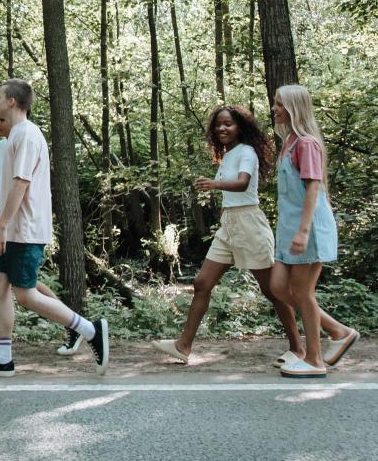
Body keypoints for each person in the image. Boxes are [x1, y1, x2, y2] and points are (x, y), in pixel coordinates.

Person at [0, 79, 107, 377]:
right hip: (13, 228)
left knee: (25, 295)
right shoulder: (14, 136)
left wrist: (3, 225)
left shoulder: (26, 134)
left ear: (12, 101)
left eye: (0, 97)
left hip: (24, 228)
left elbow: (21, 183)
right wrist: (1, 223)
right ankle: (2, 357)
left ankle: (90, 330)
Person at [151, 105, 301, 364]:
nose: (222, 128)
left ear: (240, 127)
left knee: (272, 290)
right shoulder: (227, 154)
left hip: (249, 224)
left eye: (228, 124)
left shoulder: (247, 152)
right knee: (201, 283)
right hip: (229, 226)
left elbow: (242, 183)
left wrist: (214, 184)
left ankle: (298, 348)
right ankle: (183, 346)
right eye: (218, 124)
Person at [271, 85, 359, 378]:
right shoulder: (289, 143)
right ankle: (338, 331)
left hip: (307, 229)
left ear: (295, 107)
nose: (275, 109)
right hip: (288, 230)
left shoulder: (306, 144)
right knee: (279, 288)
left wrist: (303, 231)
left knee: (302, 293)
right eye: (275, 103)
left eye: (280, 104)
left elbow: (313, 188)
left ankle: (314, 359)